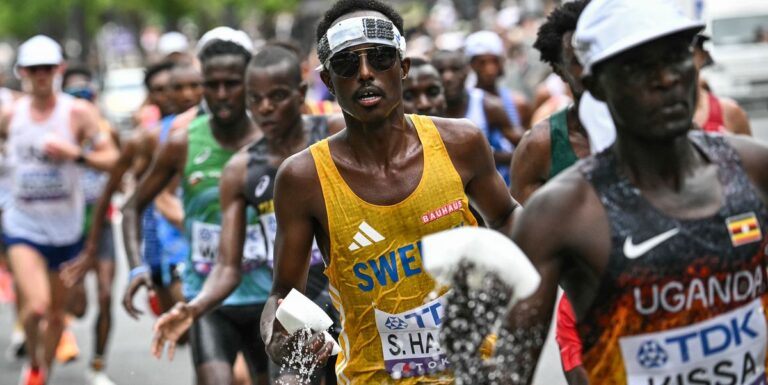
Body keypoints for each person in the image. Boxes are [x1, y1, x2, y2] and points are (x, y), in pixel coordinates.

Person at [491, 0, 768, 383]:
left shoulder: (753, 167)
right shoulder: (562, 212)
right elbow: (507, 373)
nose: (666, 79)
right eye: (637, 67)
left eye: (676, 57)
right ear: (595, 86)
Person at [260, 0, 519, 383]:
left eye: (380, 58)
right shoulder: (303, 178)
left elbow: (508, 217)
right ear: (329, 81)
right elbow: (283, 293)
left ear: (404, 67)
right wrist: (276, 336)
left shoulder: (459, 142)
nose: (366, 73)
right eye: (347, 64)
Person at [152, 43, 345, 385]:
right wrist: (193, 308)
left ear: (301, 93)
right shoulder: (241, 170)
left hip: (356, 294)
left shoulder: (334, 133)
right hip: (297, 310)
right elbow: (227, 266)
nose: (265, 108)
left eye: (278, 97)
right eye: (255, 99)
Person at [121, 34, 268, 385]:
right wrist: (136, 267)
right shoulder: (183, 141)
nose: (220, 95)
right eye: (211, 85)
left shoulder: (274, 138)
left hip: (269, 297)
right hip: (207, 298)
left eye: (231, 84)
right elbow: (131, 207)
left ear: (248, 83)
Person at [0, 35, 118, 385]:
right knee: (35, 308)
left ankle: (41, 370)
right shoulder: (10, 115)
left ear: (59, 70)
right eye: (33, 69)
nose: (40, 76)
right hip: (23, 224)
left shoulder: (78, 113)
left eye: (47, 69)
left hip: (67, 229)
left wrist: (75, 155)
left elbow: (112, 159)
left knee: (56, 314)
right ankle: (35, 361)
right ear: (21, 72)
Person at [62, 61, 200, 321]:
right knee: (182, 326)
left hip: (198, 242)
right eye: (169, 89)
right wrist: (92, 249)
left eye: (194, 86)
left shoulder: (224, 130)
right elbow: (115, 193)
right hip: (160, 238)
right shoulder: (145, 140)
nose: (186, 95)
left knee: (199, 317)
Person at [60, 65, 121, 385]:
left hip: (104, 225)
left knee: (107, 294)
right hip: (69, 228)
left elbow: (122, 174)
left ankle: (97, 365)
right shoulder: (56, 137)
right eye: (74, 95)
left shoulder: (107, 132)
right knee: (79, 306)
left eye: (87, 94)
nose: (82, 102)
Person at [432, 49, 523, 185]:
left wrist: (486, 156)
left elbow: (524, 149)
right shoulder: (427, 110)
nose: (448, 77)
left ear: (467, 72)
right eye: (441, 71)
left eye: (455, 69)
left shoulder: (487, 105)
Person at [692, 34, 752, 136]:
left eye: (689, 54)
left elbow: (749, 151)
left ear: (703, 56)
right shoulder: (657, 117)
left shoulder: (730, 112)